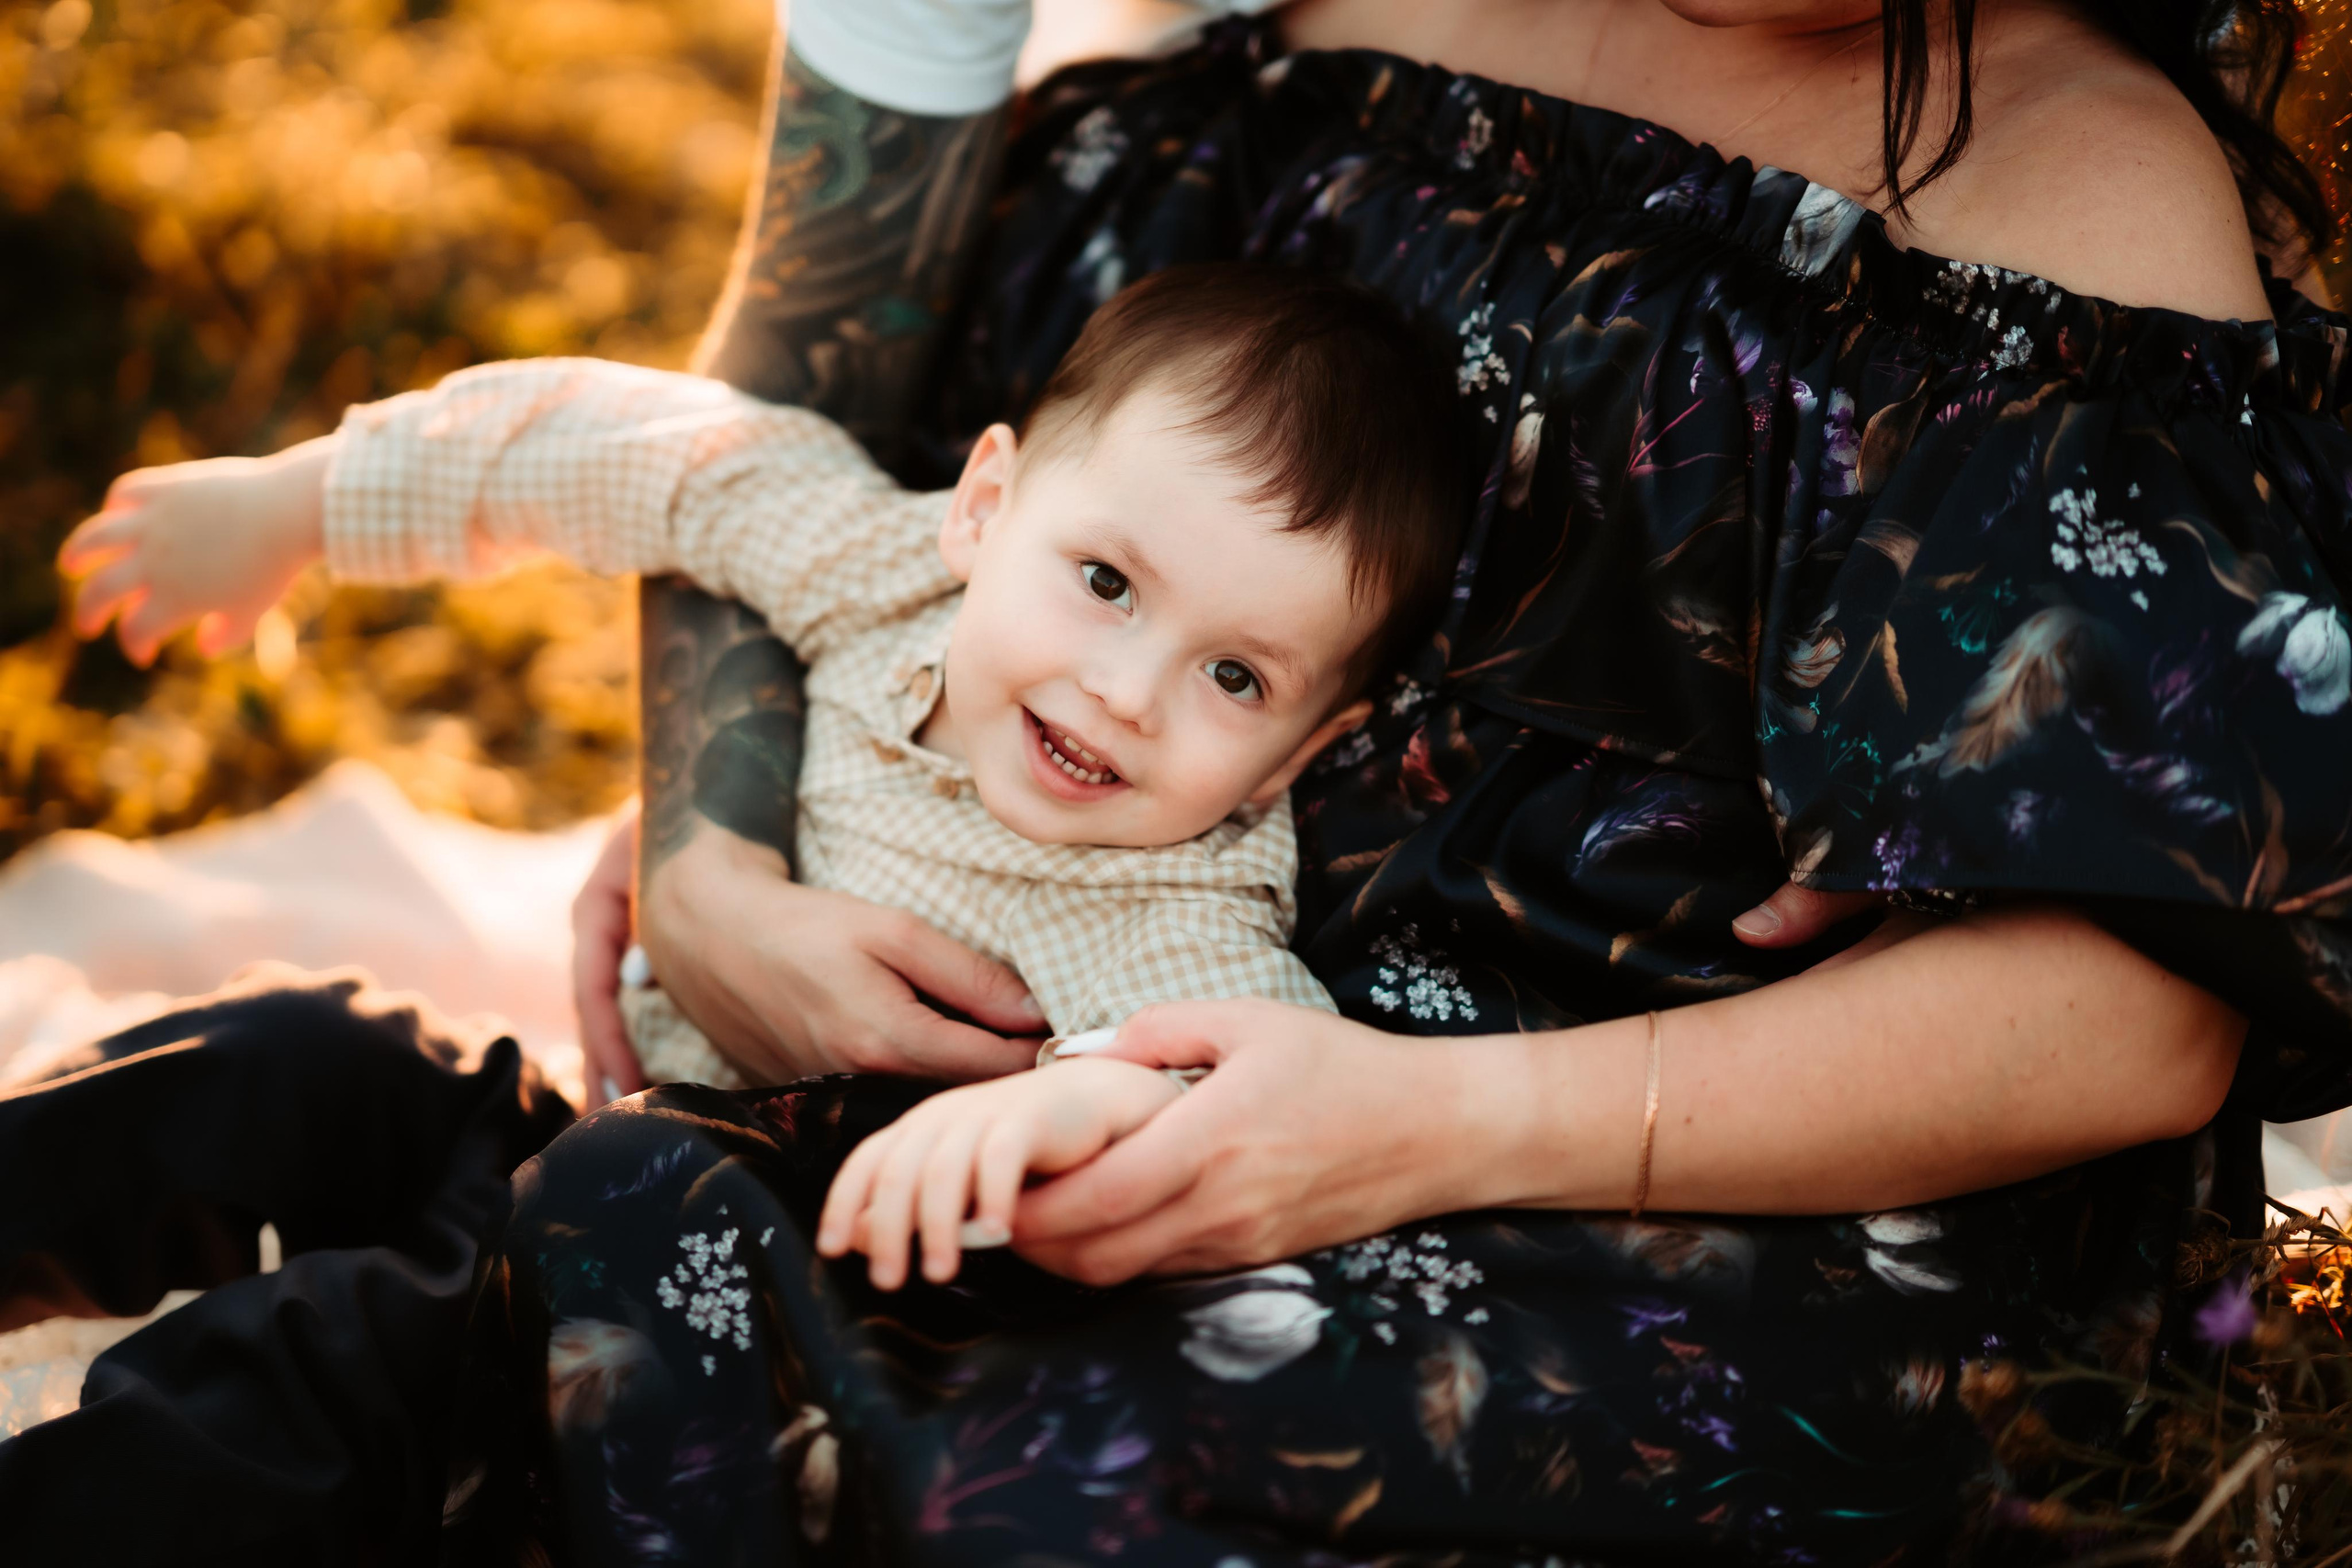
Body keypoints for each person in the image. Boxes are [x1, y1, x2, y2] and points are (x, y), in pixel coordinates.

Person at [0, 1, 2346, 1562]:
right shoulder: (1251, 38)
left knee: (777, 1334)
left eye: (1224, 666)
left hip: (1625, 1168)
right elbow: (735, 430)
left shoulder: (2071, 190)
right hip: (1034, 1040)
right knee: (375, 1116)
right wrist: (723, 823)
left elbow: (2144, 1001)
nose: (1134, 676)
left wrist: (1421, 1120)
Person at [60, 261, 1466, 1285]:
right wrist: (304, 500)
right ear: (986, 508)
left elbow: (1252, 1084)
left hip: (680, 1275)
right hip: (556, 1119)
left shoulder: (1182, 895)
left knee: (317, 1382)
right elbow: (633, 453)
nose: (1127, 690)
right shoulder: (878, 565)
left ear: (1306, 747)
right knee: (285, 1058)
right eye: (1106, 579)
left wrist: (1075, 1100)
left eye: (1236, 678)